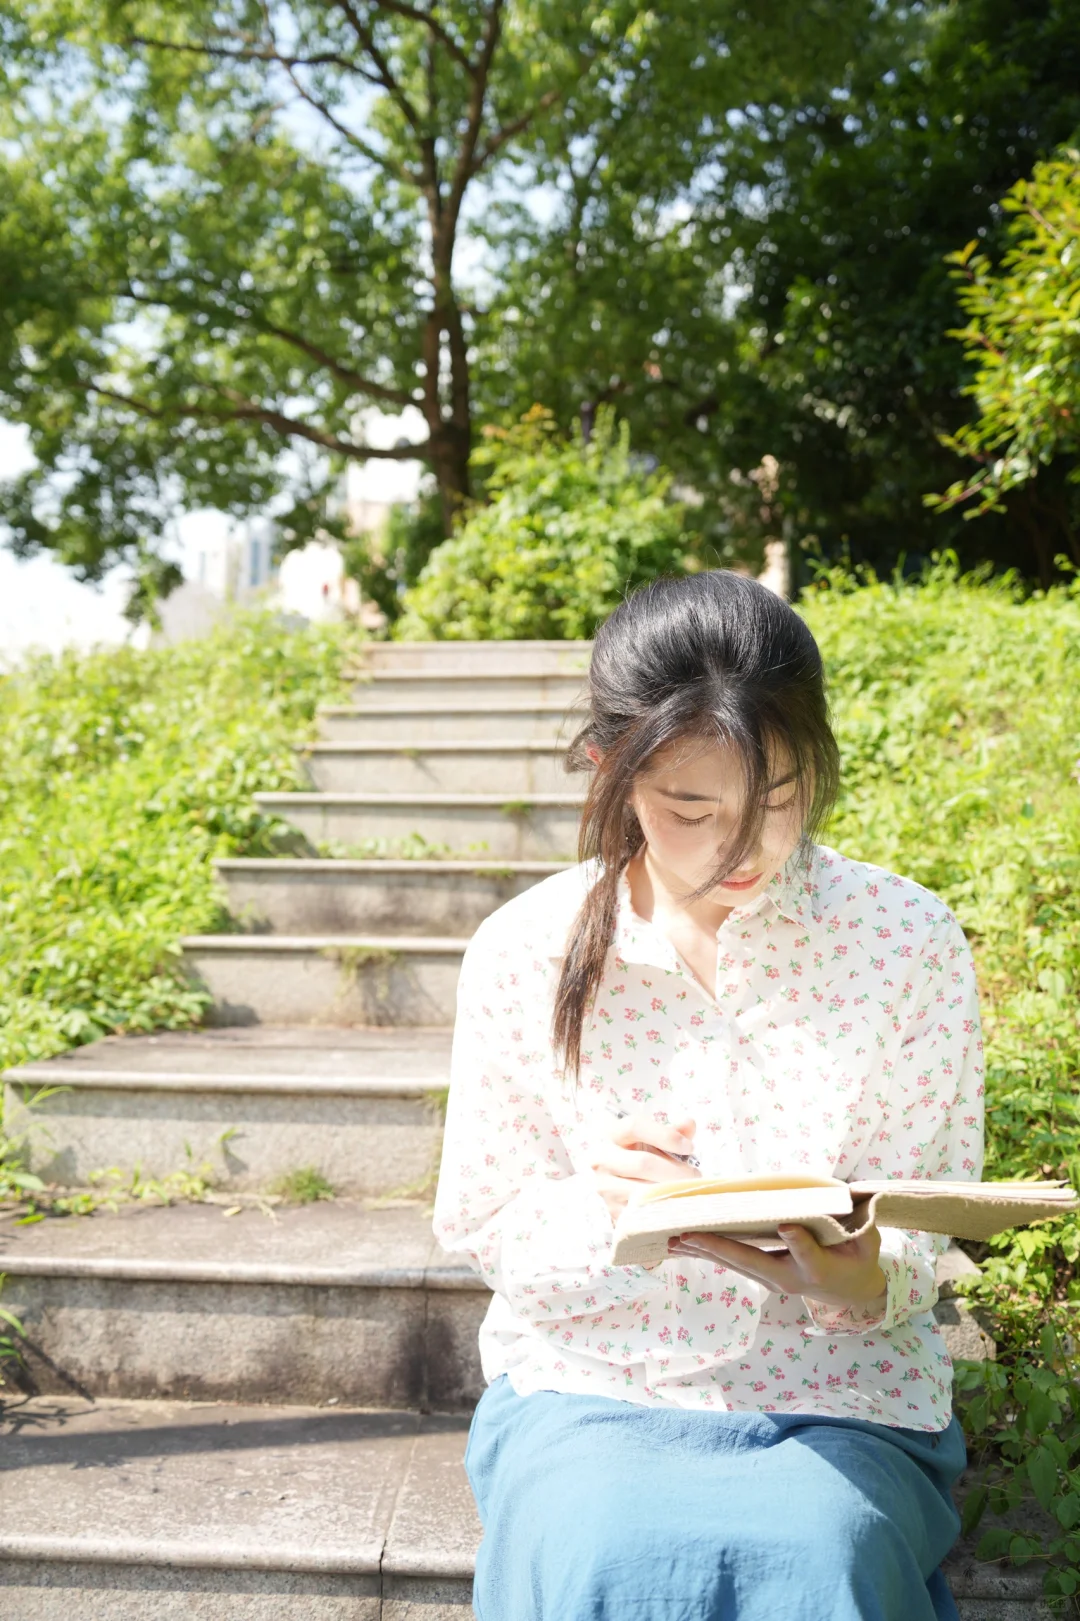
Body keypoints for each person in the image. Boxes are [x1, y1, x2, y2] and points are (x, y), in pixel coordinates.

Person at [433, 571, 983, 1621]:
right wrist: (599, 1206)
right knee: (601, 1551)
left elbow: (928, 1205)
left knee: (821, 1555)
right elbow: (486, 1217)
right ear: (612, 770)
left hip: (840, 1389)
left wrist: (865, 1277)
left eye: (780, 799)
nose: (747, 847)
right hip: (593, 1384)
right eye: (692, 808)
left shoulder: (905, 939)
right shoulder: (523, 950)